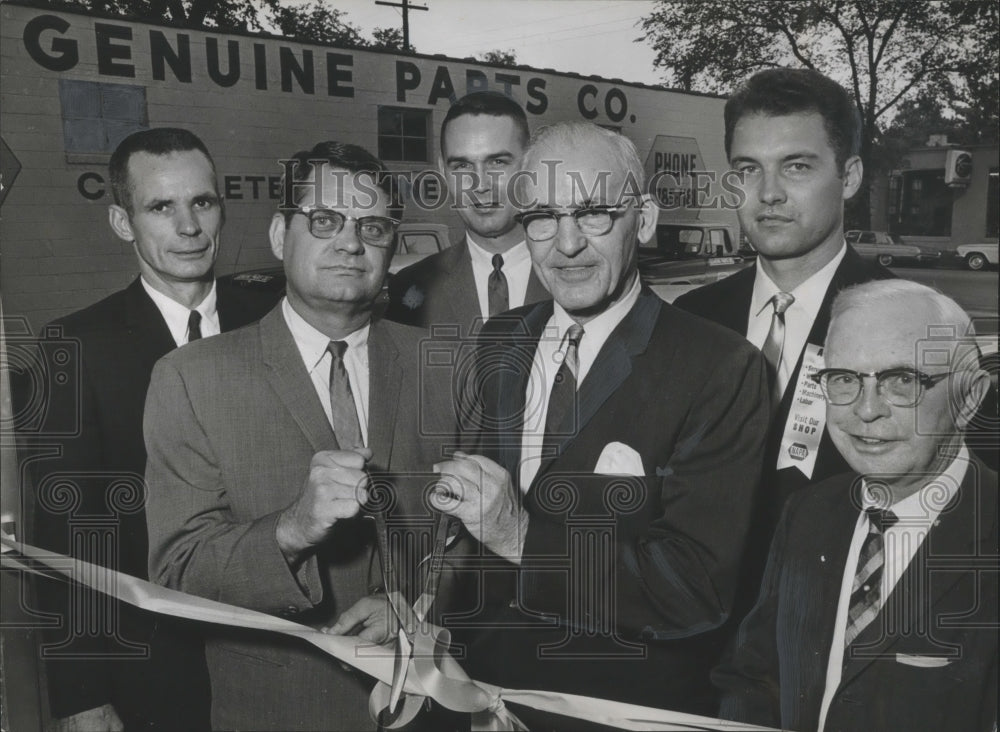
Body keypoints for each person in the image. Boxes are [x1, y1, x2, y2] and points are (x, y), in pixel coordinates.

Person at [433, 121, 770, 723]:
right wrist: (418, 604)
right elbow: (471, 537)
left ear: (642, 219)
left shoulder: (720, 367)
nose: (565, 245)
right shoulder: (499, 340)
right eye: (541, 217)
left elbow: (694, 589)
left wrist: (519, 537)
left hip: (613, 708)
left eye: (592, 214)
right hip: (480, 695)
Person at [142, 141, 459, 731]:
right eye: (325, 221)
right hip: (277, 712)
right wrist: (290, 530)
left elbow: (479, 538)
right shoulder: (191, 378)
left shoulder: (444, 365)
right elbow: (178, 574)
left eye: (372, 225)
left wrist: (418, 608)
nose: (350, 241)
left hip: (430, 708)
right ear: (280, 236)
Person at [22, 127, 276, 731]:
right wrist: (81, 692)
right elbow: (64, 537)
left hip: (281, 646)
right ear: (121, 222)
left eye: (202, 202)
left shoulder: (276, 318)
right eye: (161, 207)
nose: (188, 227)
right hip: (153, 665)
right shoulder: (75, 348)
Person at [714, 279, 998, 732]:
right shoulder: (809, 511)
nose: (865, 411)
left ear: (970, 396)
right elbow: (751, 676)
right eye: (844, 379)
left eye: (902, 380)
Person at [675, 68, 894, 525]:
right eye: (748, 169)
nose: (769, 193)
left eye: (797, 166)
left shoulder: (903, 319)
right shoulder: (691, 317)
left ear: (849, 177)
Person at [386, 91, 548, 332]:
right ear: (442, 170)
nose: (480, 184)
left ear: (529, 163)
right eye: (462, 166)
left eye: (498, 162)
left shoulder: (575, 274)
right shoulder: (410, 288)